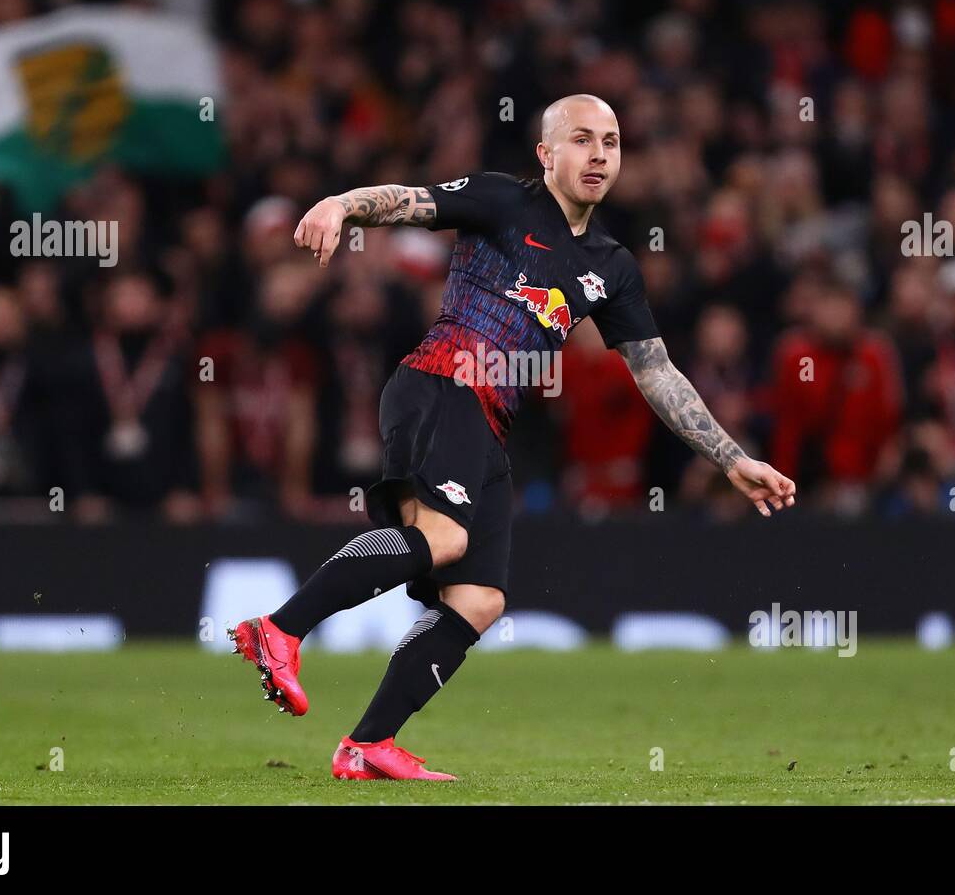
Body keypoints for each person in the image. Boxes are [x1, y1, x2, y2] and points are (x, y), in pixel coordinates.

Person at [229, 95, 796, 780]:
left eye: (611, 142)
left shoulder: (611, 265)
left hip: (489, 420)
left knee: (478, 598)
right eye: (582, 139)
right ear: (546, 154)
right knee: (446, 539)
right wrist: (341, 204)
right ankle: (280, 628)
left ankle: (366, 745)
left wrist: (731, 457)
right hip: (441, 384)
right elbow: (410, 200)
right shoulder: (502, 200)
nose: (599, 155)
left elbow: (656, 371)